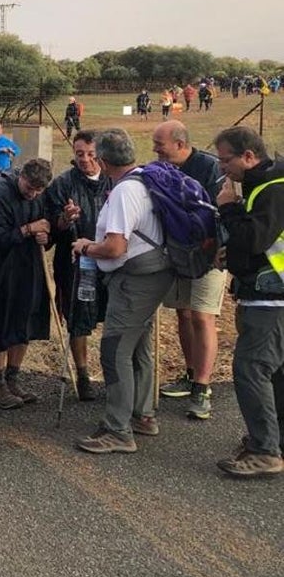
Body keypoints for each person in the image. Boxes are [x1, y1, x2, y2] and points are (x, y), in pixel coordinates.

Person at [70, 129, 173, 454]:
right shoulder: (144, 179)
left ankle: (118, 429)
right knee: (138, 348)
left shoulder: (125, 191)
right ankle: (142, 415)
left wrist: (87, 247)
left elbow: (115, 247)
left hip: (133, 280)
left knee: (115, 351)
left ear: (102, 159)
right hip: (152, 274)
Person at [211, 127, 284, 476]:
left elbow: (254, 238)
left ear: (250, 156)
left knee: (251, 369)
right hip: (269, 291)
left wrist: (228, 210)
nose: (223, 168)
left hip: (271, 298)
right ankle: (273, 441)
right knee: (275, 373)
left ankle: (265, 450)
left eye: (227, 160)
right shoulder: (265, 185)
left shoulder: (271, 188)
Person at [152, 121, 226, 419]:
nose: (155, 149)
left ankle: (202, 388)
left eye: (160, 144)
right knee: (182, 312)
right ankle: (191, 372)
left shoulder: (209, 168)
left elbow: (219, 211)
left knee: (202, 315)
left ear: (180, 144)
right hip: (177, 254)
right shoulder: (160, 168)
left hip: (208, 254)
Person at [0, 159, 54, 409]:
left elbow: (47, 233)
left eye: (38, 191)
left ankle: (13, 378)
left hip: (29, 269)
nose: (32, 194)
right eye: (29, 187)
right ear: (22, 177)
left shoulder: (40, 198)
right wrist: (28, 229)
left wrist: (45, 235)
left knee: (24, 322)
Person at [43, 131, 111, 401]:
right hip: (75, 263)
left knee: (114, 316)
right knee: (78, 318)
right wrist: (63, 219)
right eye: (79, 153)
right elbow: (50, 226)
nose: (85, 159)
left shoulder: (114, 179)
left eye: (91, 154)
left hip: (110, 258)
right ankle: (83, 376)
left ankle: (114, 374)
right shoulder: (63, 184)